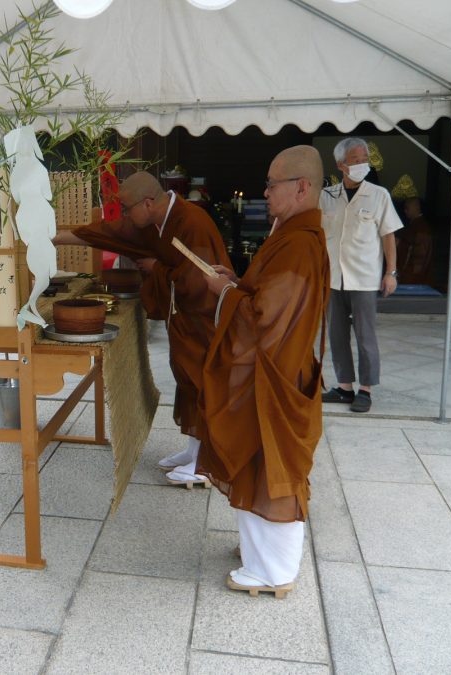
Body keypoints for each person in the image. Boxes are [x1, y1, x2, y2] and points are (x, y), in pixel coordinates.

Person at [199, 145, 329, 598]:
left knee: (271, 463)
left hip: (273, 376)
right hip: (272, 370)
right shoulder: (291, 234)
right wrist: (235, 284)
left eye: (273, 184)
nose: (266, 192)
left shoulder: (298, 244)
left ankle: (274, 571)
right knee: (256, 461)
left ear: (301, 187)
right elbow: (265, 297)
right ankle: (259, 554)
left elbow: (265, 318)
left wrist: (224, 293)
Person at [54, 171, 231, 488]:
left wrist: (157, 269)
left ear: (148, 203)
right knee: (188, 381)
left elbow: (202, 278)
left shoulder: (193, 222)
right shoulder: (153, 222)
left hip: (203, 319)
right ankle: (194, 450)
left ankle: (210, 462)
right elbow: (111, 232)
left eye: (127, 207)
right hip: (183, 317)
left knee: (206, 382)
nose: (124, 214)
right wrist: (57, 237)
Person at [319, 137, 403, 413]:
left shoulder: (379, 195)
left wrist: (390, 272)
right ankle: (344, 387)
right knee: (337, 335)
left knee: (366, 336)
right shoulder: (327, 196)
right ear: (341, 164)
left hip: (365, 278)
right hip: (333, 278)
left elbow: (389, 237)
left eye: (365, 160)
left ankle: (365, 389)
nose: (362, 165)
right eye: (356, 160)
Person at [397, 197, 433, 285]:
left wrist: (399, 244)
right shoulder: (413, 225)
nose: (405, 211)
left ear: (417, 207)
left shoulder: (421, 227)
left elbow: (420, 254)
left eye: (407, 208)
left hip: (414, 274)